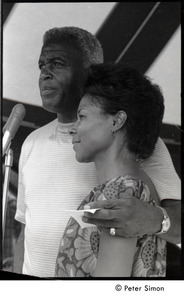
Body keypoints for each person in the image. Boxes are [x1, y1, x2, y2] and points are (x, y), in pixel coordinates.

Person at [13, 27, 181, 278]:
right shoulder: (31, 143)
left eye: (56, 63)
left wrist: (156, 219)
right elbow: (26, 230)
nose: (44, 74)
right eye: (41, 66)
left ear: (88, 71)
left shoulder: (138, 144)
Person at [55, 63, 166, 277]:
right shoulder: (129, 186)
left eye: (82, 116)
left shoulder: (122, 189)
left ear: (117, 121)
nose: (73, 128)